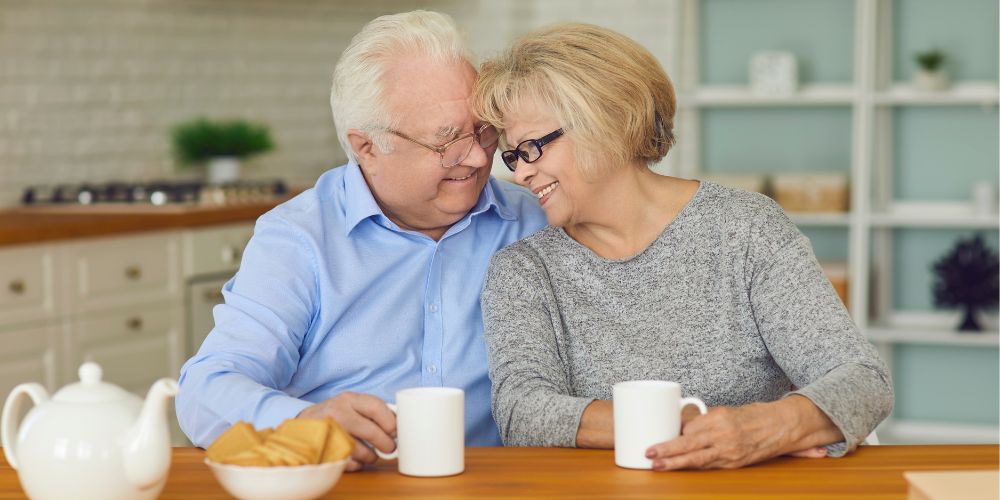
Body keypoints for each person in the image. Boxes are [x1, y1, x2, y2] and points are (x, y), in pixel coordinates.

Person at [473, 23, 893, 470]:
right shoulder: (523, 269)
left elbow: (863, 381)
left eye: (532, 147)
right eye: (513, 156)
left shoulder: (746, 229)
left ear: (607, 121)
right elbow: (522, 412)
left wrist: (768, 427)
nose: (520, 174)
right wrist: (680, 425)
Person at [176, 10, 547, 471]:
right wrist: (303, 420)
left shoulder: (534, 218)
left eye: (483, 130)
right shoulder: (299, 239)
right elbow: (206, 389)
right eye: (447, 140)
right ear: (367, 147)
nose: (476, 157)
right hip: (352, 483)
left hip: (495, 483)